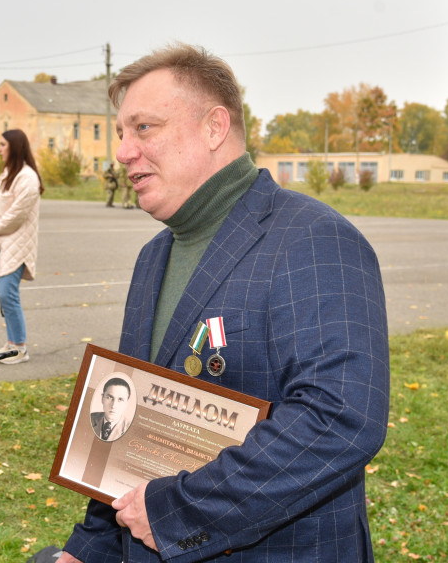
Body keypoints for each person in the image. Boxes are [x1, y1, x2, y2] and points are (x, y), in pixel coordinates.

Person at [59, 44, 389, 563]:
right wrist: (93, 546)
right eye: (122, 133)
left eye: (143, 128)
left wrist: (179, 511)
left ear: (215, 127)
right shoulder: (154, 257)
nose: (122, 152)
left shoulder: (315, 239)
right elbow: (131, 425)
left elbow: (338, 419)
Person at [0, 129, 43, 365]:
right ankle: (12, 343)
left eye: (2, 144)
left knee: (8, 293)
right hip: (1, 242)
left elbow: (16, 215)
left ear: (14, 147)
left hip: (18, 244)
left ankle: (20, 348)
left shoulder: (28, 177)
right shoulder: (8, 173)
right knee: (5, 295)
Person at [89, 376, 133, 442]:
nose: (114, 405)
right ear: (102, 398)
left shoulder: (130, 430)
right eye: (109, 397)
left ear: (126, 403)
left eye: (120, 399)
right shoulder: (89, 418)